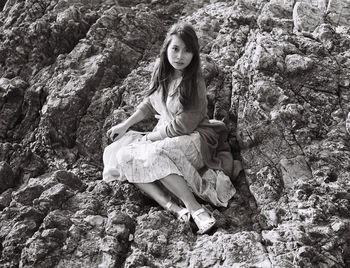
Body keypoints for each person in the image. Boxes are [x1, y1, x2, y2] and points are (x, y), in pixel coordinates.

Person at [103, 22, 237, 234]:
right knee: (124, 156)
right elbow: (150, 103)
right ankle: (174, 208)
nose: (180, 56)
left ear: (194, 55)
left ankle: (196, 210)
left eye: (187, 50)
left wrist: (152, 137)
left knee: (155, 153)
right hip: (165, 132)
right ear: (166, 48)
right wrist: (126, 124)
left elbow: (184, 125)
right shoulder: (161, 69)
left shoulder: (194, 81)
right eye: (175, 48)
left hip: (195, 137)